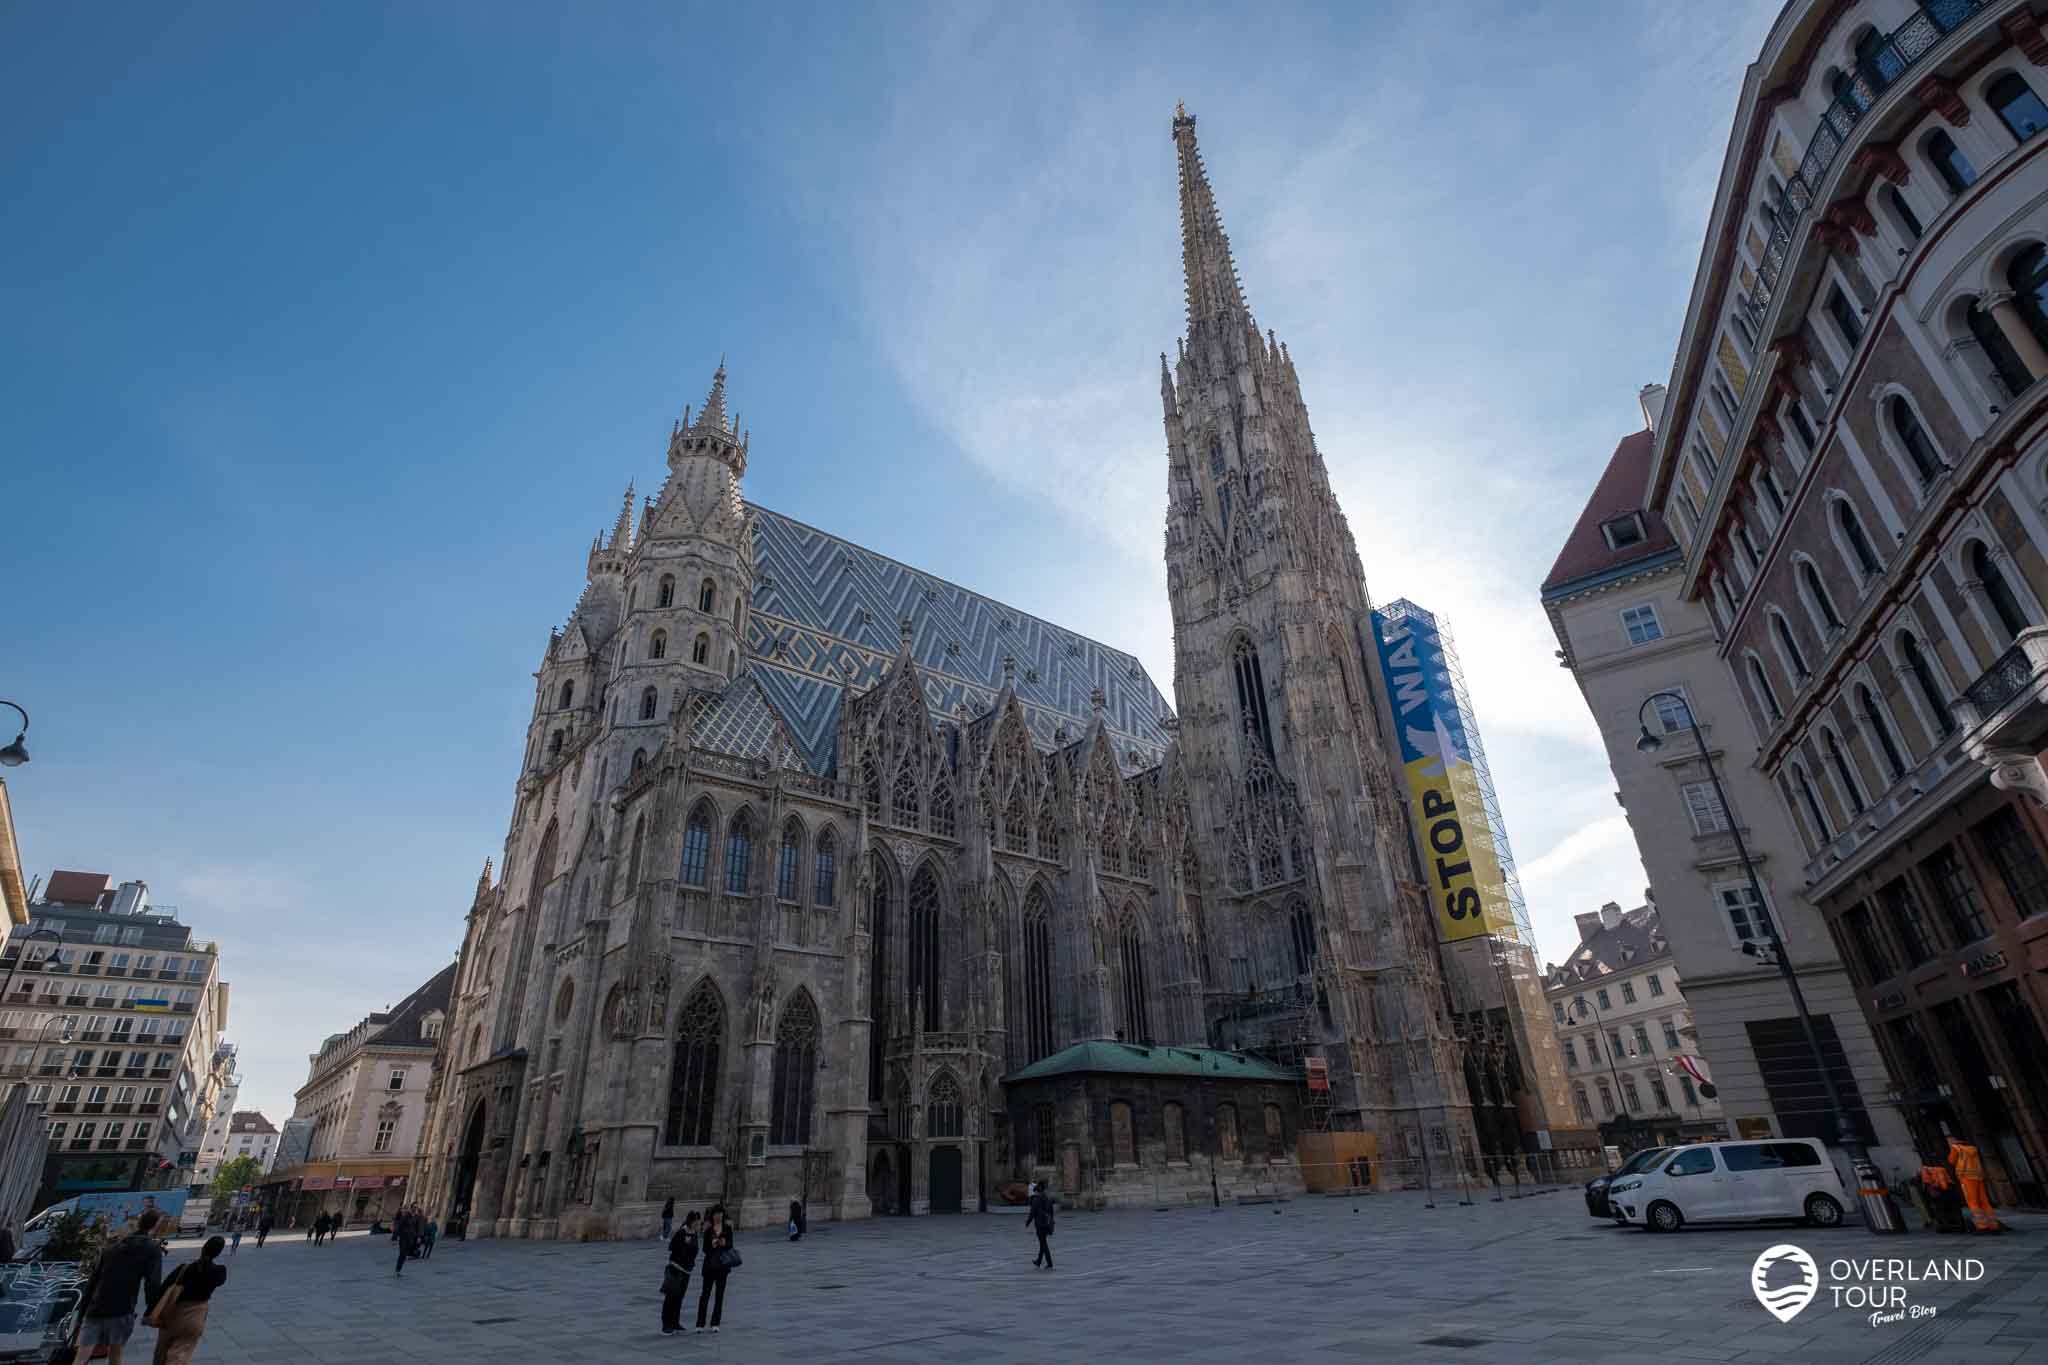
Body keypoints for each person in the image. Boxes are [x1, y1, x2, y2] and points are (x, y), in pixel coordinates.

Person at [72, 1208, 165, 1365]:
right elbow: (153, 1283)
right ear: (155, 1226)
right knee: (116, 1354)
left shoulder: (113, 1247)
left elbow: (93, 1280)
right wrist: (152, 1311)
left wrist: (81, 1314)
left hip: (96, 1307)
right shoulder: (152, 1249)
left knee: (81, 1356)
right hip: (122, 1309)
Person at [144, 1233, 227, 1365]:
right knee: (180, 1355)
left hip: (173, 1314)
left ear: (203, 1248)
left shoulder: (185, 1268)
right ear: (218, 1253)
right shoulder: (220, 1272)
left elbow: (164, 1289)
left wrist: (150, 1313)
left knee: (161, 1354)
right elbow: (219, 1281)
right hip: (196, 1316)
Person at [660, 1209, 701, 1335]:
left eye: (699, 1223)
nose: (698, 1225)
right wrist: (684, 1244)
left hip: (686, 1271)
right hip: (676, 1269)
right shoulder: (682, 1232)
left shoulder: (694, 1234)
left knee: (679, 1298)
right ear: (691, 1221)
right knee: (671, 1297)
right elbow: (672, 1247)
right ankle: (666, 1325)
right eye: (697, 1222)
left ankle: (675, 1323)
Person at [695, 1205, 735, 1334]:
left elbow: (731, 1245)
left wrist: (724, 1243)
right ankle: (700, 1324)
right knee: (705, 1295)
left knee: (719, 1296)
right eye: (716, 1214)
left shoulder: (727, 1229)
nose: (719, 1216)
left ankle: (715, 1323)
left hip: (722, 1267)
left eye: (720, 1214)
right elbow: (704, 1249)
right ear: (712, 1216)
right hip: (710, 1267)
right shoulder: (708, 1230)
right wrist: (711, 1245)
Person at [1026, 1182, 1055, 1269]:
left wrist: (1028, 1222)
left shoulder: (1036, 1199)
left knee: (1043, 1243)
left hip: (1040, 1224)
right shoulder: (1048, 1198)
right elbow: (1051, 1211)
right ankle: (1038, 1261)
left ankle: (1049, 1263)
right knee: (1043, 1242)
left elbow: (1033, 1212)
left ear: (1037, 1191)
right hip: (1047, 1223)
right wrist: (1051, 1221)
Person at [395, 1207, 421, 1275]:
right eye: (413, 1211)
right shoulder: (405, 1217)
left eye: (415, 1212)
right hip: (403, 1238)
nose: (414, 1213)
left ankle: (399, 1269)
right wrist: (397, 1236)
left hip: (410, 1239)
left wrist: (418, 1237)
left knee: (404, 1255)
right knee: (402, 1253)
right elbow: (400, 1226)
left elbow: (417, 1228)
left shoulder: (416, 1218)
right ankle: (398, 1269)